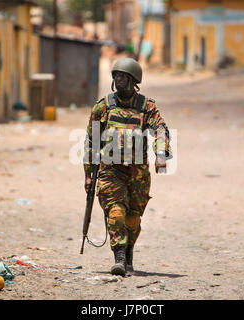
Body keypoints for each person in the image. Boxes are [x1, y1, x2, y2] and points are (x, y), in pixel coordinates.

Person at [83, 57, 172, 276]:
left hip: (138, 172)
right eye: (116, 75)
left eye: (122, 76)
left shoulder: (146, 106)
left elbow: (160, 128)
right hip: (110, 171)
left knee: (133, 217)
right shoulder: (103, 107)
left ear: (133, 80)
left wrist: (161, 153)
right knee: (116, 213)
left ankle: (129, 253)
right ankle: (119, 258)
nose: (118, 79)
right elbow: (91, 141)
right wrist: (88, 175)